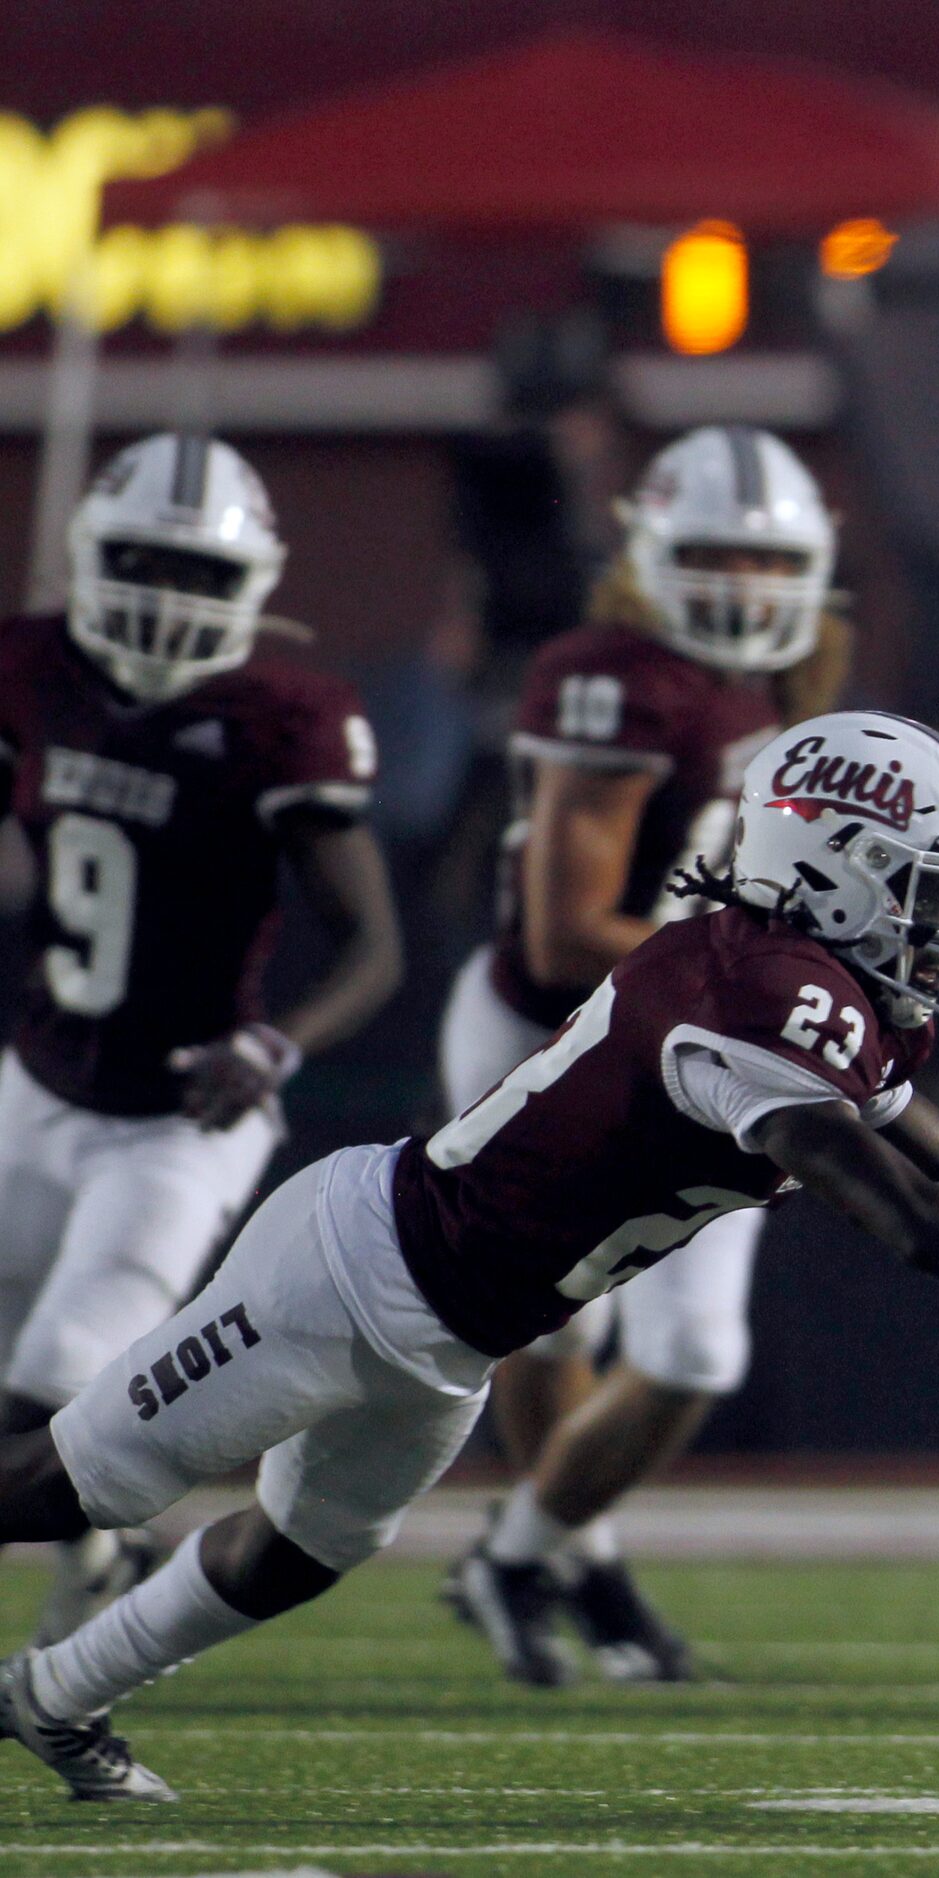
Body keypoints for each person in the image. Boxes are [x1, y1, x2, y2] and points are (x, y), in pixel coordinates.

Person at [0, 709, 939, 1803]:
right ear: (832, 862)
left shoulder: (812, 990)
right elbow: (918, 1230)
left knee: (304, 1547)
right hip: (345, 1273)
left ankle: (54, 1697)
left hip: (458, 1340)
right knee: (73, 1483)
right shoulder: (750, 997)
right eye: (926, 881)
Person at [436, 424, 855, 1684]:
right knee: (548, 1329)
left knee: (688, 1353)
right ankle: (587, 1566)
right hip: (550, 1032)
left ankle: (519, 1554)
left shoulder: (794, 678)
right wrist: (749, 979)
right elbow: (569, 935)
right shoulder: (611, 673)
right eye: (714, 555)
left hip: (693, 1045)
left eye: (765, 559)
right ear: (649, 553)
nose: (740, 586)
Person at [0, 435, 401, 1651]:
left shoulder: (284, 714)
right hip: (36, 1080)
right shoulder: (29, 665)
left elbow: (374, 946)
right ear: (88, 557)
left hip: (180, 1121)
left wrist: (276, 1046)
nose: (169, 600)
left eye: (198, 574)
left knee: (48, 1391)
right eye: (142, 565)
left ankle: (90, 1616)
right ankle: (109, 1549)